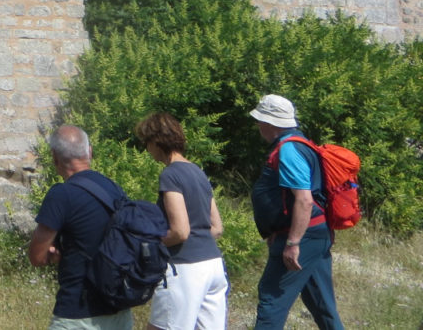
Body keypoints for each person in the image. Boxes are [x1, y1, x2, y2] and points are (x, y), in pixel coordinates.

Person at [248, 94, 344, 330]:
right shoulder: (300, 143)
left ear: (269, 122)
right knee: (322, 306)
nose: (258, 125)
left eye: (259, 120)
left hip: (303, 236)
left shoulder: (289, 149)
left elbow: (303, 200)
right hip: (315, 233)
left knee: (271, 301)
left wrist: (292, 242)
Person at [29, 125, 134, 330]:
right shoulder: (113, 188)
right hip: (119, 310)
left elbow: (37, 256)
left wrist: (56, 254)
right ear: (90, 152)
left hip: (78, 313)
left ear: (54, 158)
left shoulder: (61, 194)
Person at [134, 112, 227, 330]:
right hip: (213, 265)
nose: (147, 149)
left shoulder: (170, 175)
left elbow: (180, 231)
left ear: (157, 141)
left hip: (185, 268)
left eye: (147, 143)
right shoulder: (198, 172)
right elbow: (217, 227)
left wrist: (149, 244)